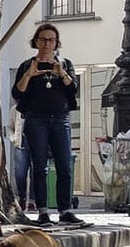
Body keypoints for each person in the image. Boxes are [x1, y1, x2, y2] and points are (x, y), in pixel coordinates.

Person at [12, 23, 82, 226]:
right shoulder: (27, 65)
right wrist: (30, 74)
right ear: (36, 41)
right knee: (39, 166)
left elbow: (73, 90)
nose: (47, 44)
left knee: (64, 165)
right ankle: (43, 211)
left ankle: (65, 209)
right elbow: (17, 93)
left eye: (51, 40)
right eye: (43, 39)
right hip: (36, 119)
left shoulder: (65, 64)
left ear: (57, 43)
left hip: (60, 119)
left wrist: (62, 73)